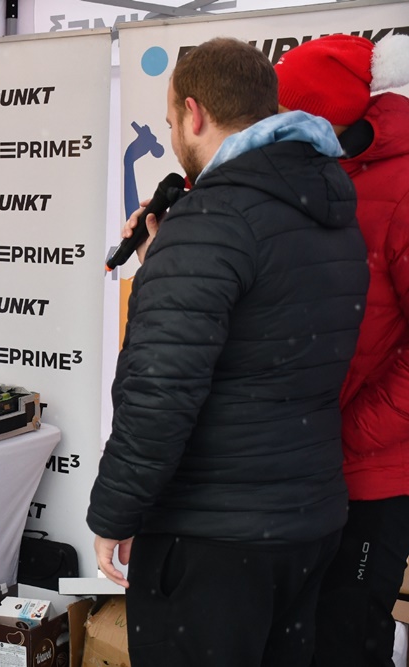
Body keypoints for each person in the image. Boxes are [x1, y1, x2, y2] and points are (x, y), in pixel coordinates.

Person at [86, 37, 369, 667]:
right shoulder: (326, 208)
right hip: (305, 522)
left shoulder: (212, 220)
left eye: (168, 123)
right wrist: (167, 261)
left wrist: (115, 512)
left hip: (213, 540)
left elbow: (159, 395)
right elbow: (267, 334)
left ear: (194, 113)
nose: (171, 137)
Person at [274, 33, 409, 667]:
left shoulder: (402, 186)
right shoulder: (308, 176)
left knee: (348, 640)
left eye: (285, 114)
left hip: (372, 475)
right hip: (301, 468)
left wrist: (350, 433)